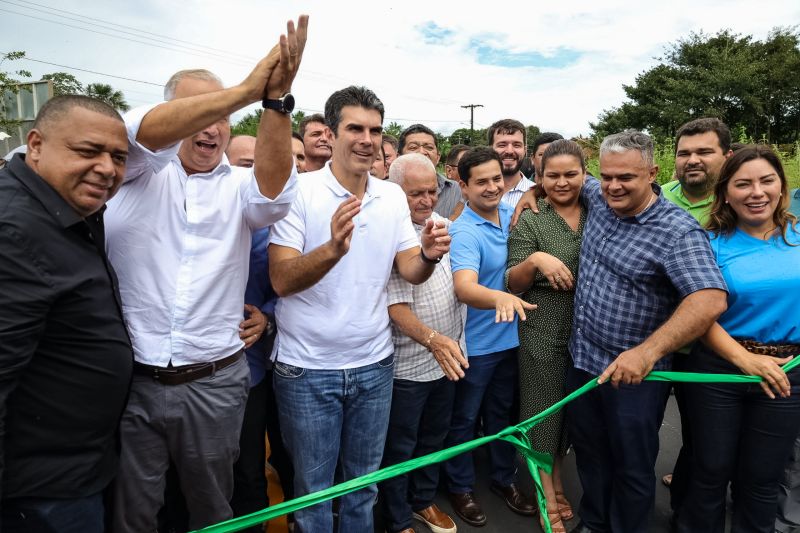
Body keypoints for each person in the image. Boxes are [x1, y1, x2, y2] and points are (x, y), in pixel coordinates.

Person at [106, 16, 308, 532]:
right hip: (131, 382)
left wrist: (274, 101)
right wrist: (242, 90)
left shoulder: (237, 186)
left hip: (214, 383)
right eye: (201, 109)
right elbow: (137, 131)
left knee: (214, 509)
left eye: (224, 113)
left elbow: (274, 195)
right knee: (132, 513)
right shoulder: (130, 171)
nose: (214, 124)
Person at [268, 85, 451, 533]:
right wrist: (331, 249)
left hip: (374, 365)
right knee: (313, 492)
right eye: (355, 128)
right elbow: (281, 279)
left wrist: (427, 254)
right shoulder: (299, 192)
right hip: (307, 370)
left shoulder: (390, 196)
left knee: (363, 487)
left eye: (375, 129)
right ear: (331, 133)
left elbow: (409, 270)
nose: (366, 139)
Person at [554, 131, 728, 533]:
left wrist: (647, 352)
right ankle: (595, 522)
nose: (614, 185)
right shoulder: (598, 196)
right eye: (608, 175)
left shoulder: (677, 231)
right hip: (584, 362)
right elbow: (575, 182)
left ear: (652, 173)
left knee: (631, 465)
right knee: (592, 454)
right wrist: (530, 195)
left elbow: (709, 299)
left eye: (627, 178)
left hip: (634, 376)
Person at [0, 95, 132, 533]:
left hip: (74, 471)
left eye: (117, 157)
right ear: (35, 145)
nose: (107, 169)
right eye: (88, 151)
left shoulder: (67, 212)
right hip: (37, 493)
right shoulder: (15, 231)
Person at [677, 145, 800, 533]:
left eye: (767, 181)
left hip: (786, 374)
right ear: (726, 192)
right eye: (743, 184)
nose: (756, 192)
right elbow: (698, 311)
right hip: (720, 370)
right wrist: (745, 360)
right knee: (710, 471)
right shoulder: (708, 243)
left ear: (782, 186)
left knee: (762, 478)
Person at [444, 147, 537, 527]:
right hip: (476, 347)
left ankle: (503, 479)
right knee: (464, 420)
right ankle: (460, 486)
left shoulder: (509, 213)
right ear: (462, 186)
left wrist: (531, 194)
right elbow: (464, 287)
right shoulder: (463, 230)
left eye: (497, 179)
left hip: (510, 340)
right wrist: (501, 295)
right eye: (480, 181)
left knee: (502, 417)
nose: (492, 187)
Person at [379, 153, 468, 533]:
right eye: (416, 193)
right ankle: (397, 516)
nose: (427, 200)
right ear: (394, 191)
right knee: (400, 446)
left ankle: (423, 501)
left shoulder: (440, 225)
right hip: (407, 367)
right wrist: (434, 340)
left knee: (435, 438)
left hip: (444, 361)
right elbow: (396, 309)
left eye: (432, 191)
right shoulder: (390, 235)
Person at [506, 139, 587, 533]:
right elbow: (511, 282)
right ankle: (545, 492)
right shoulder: (532, 218)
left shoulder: (600, 210)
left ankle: (556, 479)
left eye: (571, 174)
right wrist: (536, 259)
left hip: (589, 330)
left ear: (585, 175)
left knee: (572, 413)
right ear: (539, 177)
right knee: (543, 413)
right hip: (543, 326)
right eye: (551, 175)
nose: (561, 182)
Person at [659, 117, 733, 517]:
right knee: (640, 433)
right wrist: (533, 191)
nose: (693, 160)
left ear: (728, 156)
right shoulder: (659, 197)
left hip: (711, 343)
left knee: (704, 443)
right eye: (685, 153)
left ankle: (685, 513)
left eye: (704, 152)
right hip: (654, 340)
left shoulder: (738, 204)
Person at [224, 135, 294, 532]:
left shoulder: (275, 227)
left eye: (258, 165)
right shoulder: (193, 220)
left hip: (258, 368)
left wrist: (266, 318)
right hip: (199, 370)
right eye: (242, 163)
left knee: (258, 463)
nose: (250, 175)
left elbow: (286, 290)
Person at [398, 124, 462, 218]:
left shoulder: (457, 189)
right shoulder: (385, 191)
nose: (422, 152)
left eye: (429, 147)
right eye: (413, 147)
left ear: (438, 157)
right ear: (399, 156)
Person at [487, 118, 533, 207]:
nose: (509, 151)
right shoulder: (475, 193)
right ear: (490, 149)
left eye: (516, 145)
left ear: (525, 150)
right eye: (502, 145)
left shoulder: (540, 195)